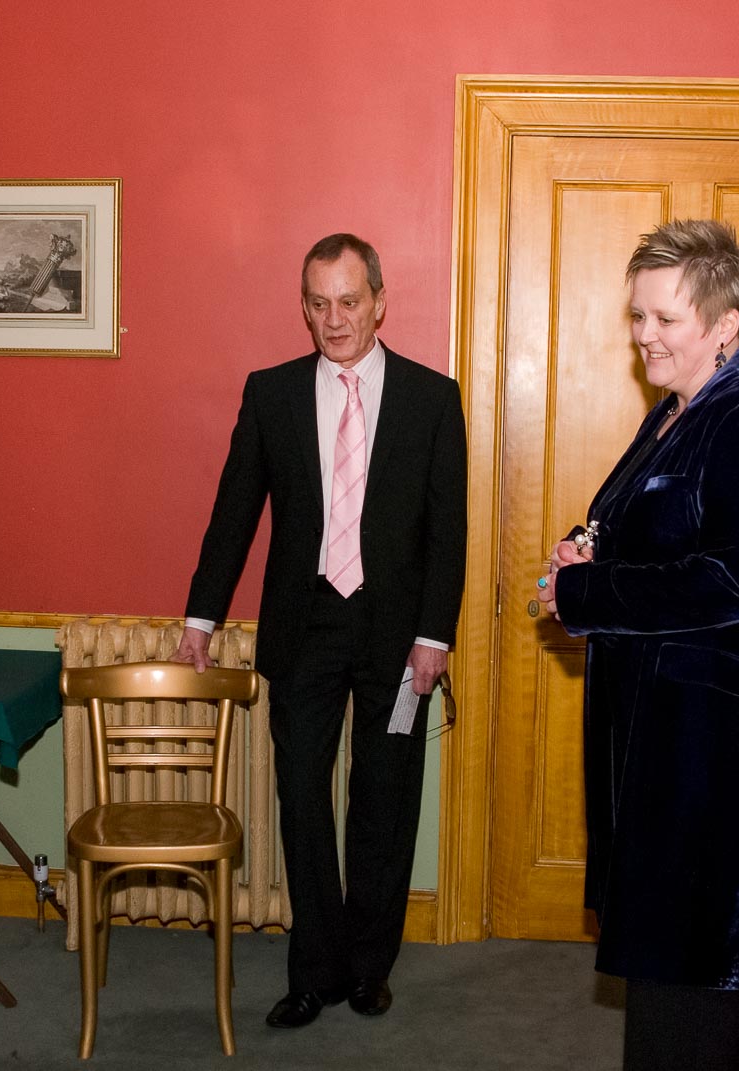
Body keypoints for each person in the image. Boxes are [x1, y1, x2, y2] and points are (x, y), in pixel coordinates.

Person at [539, 219, 739, 1071]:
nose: (643, 336)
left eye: (664, 319)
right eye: (637, 315)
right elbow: (658, 533)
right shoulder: (679, 413)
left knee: (696, 977)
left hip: (720, 763)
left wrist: (591, 591)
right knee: (666, 972)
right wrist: (587, 550)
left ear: (723, 324)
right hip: (671, 747)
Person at [173, 233, 466, 1029]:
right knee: (301, 798)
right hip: (304, 628)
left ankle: (369, 967)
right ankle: (314, 972)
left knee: (385, 798)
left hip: (398, 635)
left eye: (348, 300)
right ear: (303, 307)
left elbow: (449, 531)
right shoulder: (270, 394)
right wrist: (200, 617)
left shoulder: (432, 399)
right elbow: (234, 512)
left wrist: (434, 635)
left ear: (379, 299)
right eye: (318, 303)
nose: (333, 319)